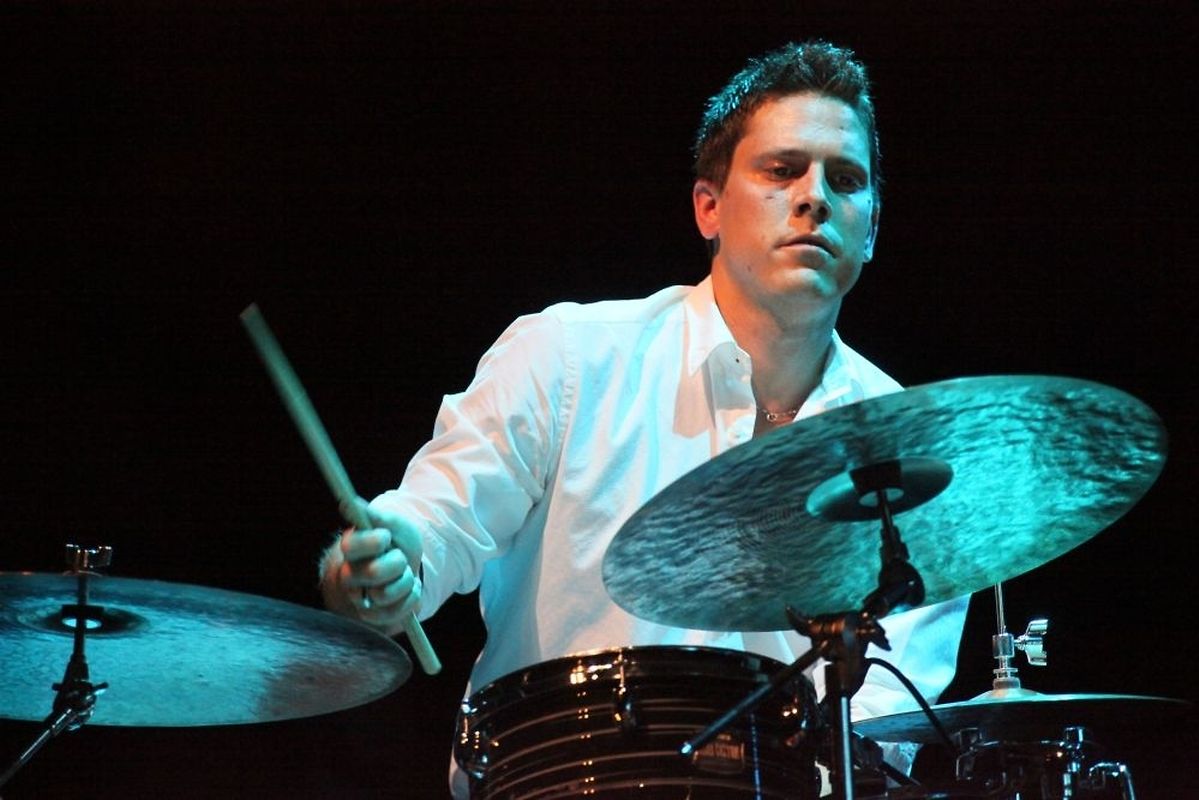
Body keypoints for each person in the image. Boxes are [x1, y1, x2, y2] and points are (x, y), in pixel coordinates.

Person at [319, 40, 968, 796]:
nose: (814, 197)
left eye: (845, 180)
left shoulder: (911, 459)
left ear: (872, 227)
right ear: (708, 207)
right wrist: (386, 564)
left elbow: (879, 728)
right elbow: (435, 528)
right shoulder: (566, 358)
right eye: (781, 170)